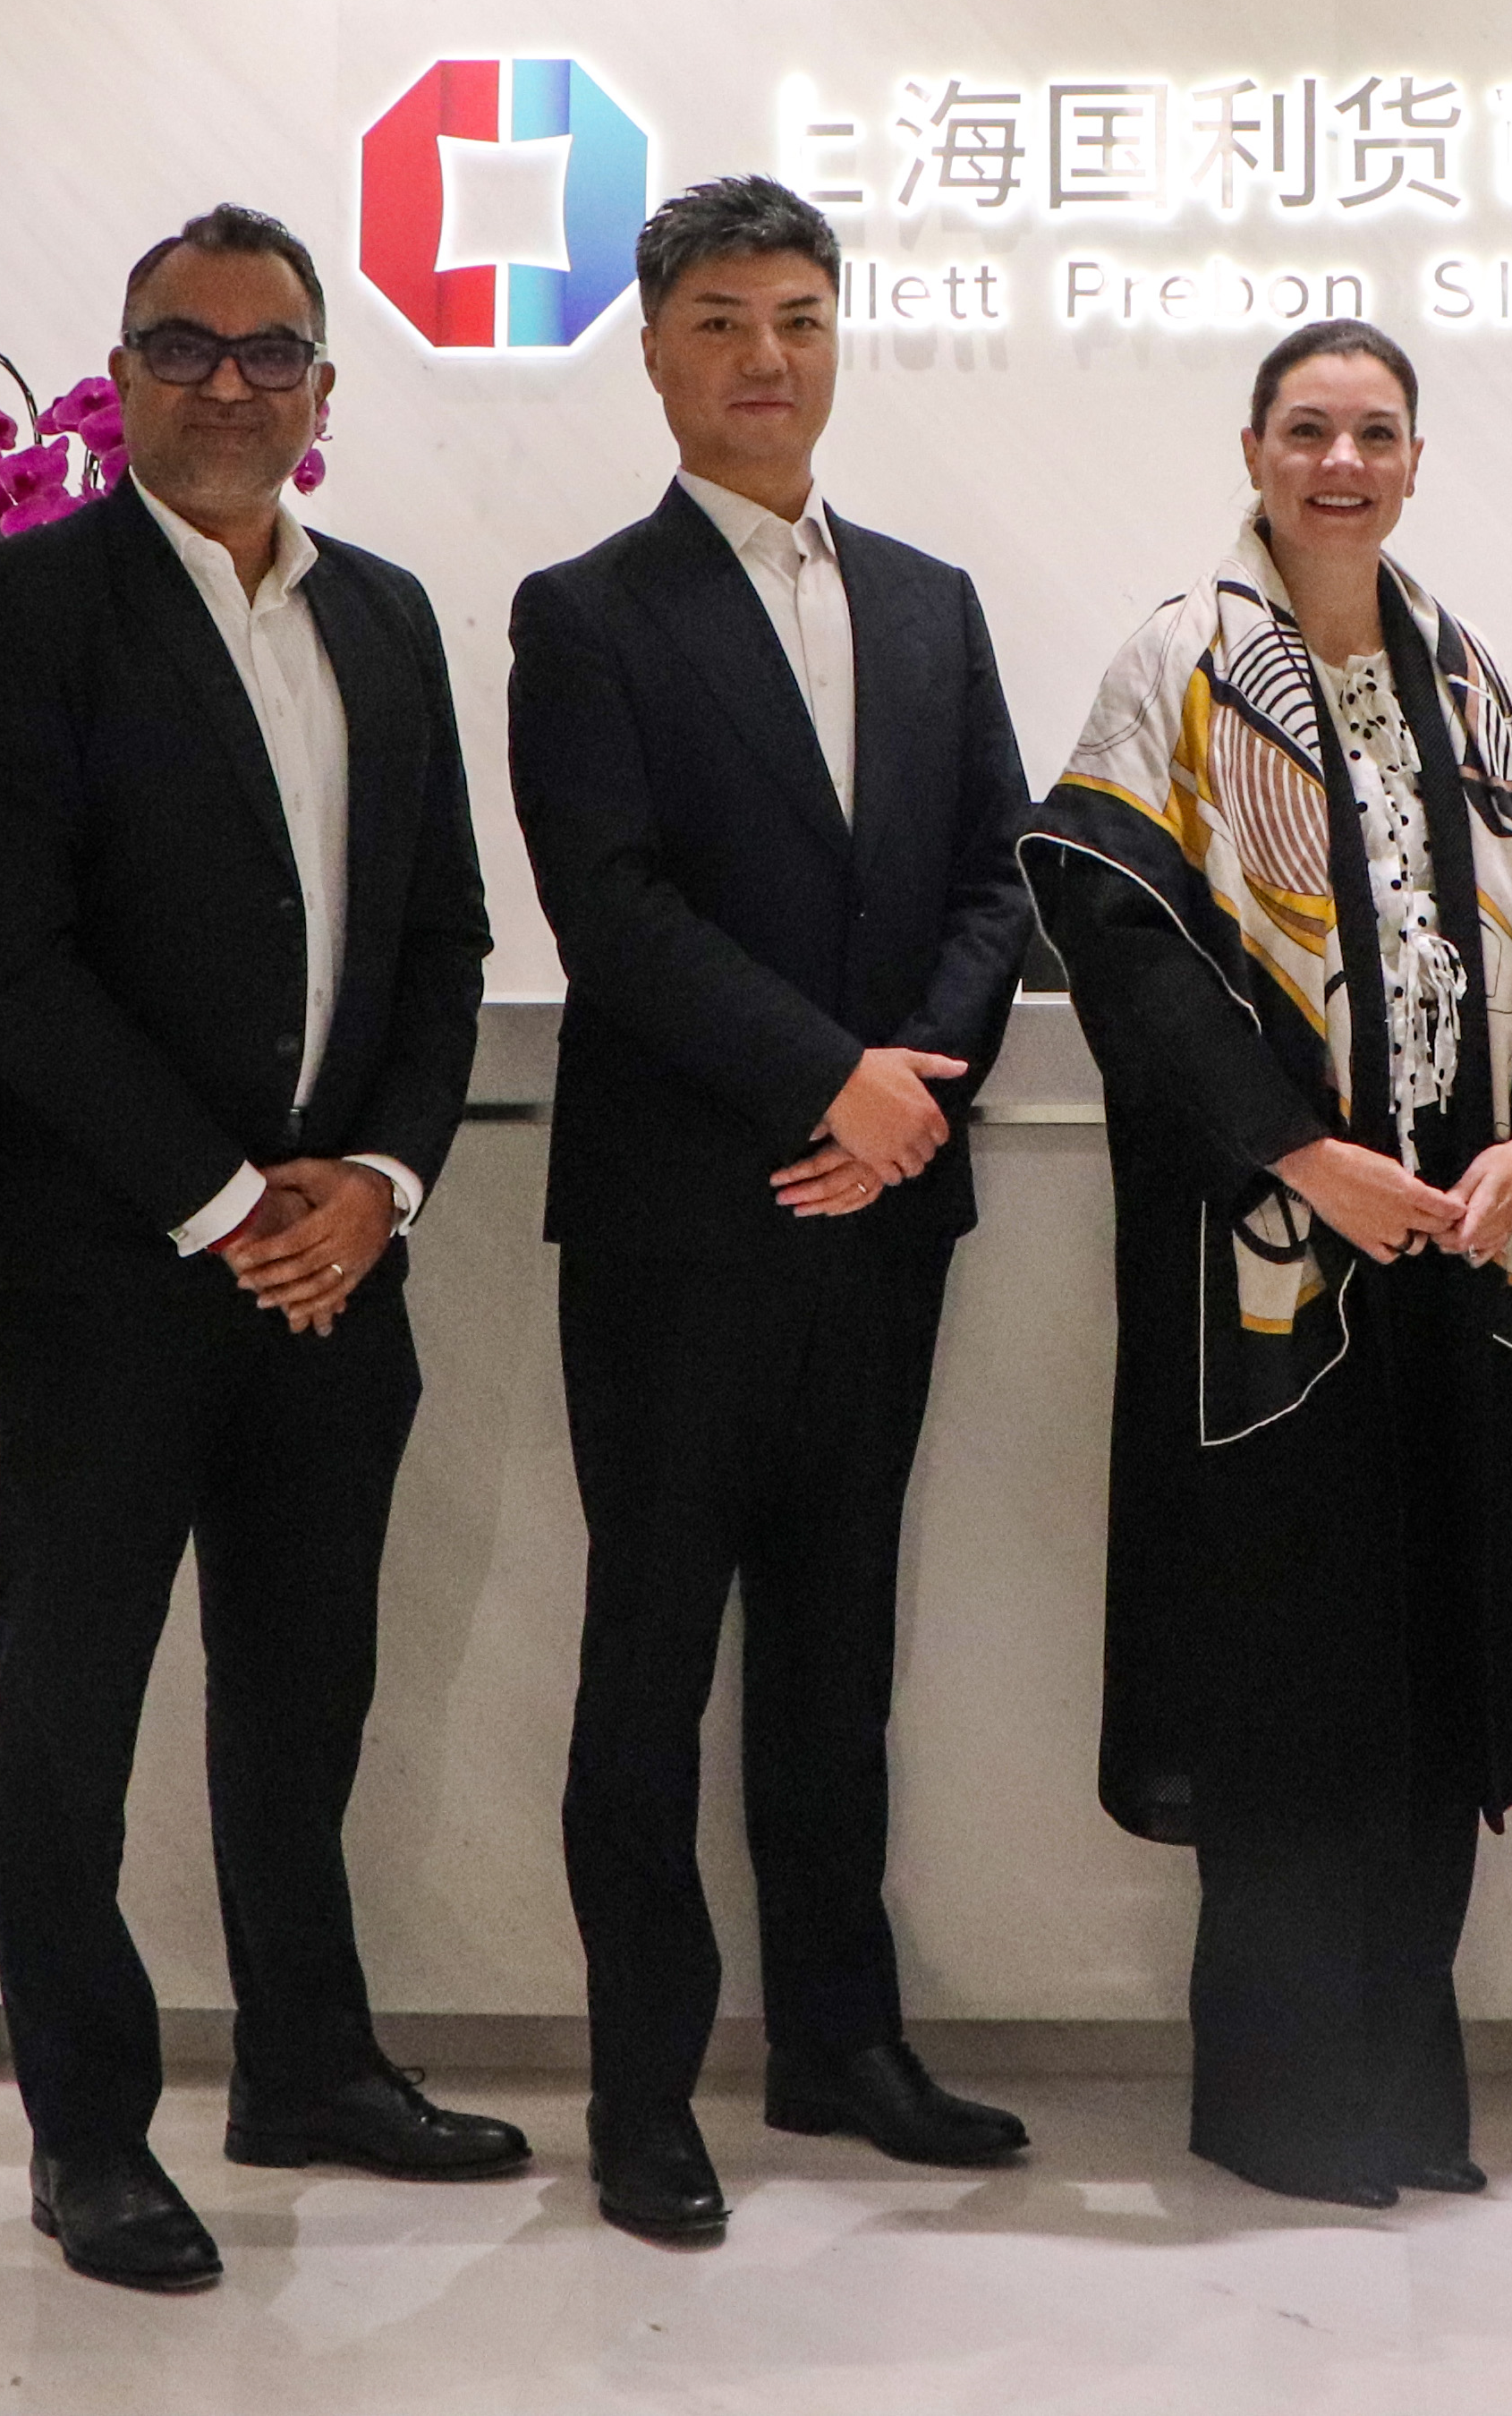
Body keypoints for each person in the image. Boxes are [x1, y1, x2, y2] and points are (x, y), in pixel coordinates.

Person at [0, 203, 515, 2295]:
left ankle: (307, 2062)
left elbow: (443, 938)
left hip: (340, 1265)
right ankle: (87, 2132)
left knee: (301, 1685)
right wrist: (226, 1198)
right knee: (67, 1706)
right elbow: (12, 956)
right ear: (122, 377)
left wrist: (381, 1180)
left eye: (269, 352)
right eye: (184, 346)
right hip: (105, 1265)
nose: (228, 383)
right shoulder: (21, 608)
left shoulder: (387, 616)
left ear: (323, 389)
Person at [1024, 319, 1512, 2209]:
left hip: (1448, 1260)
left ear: (1416, 460)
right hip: (1271, 1270)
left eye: (1374, 431)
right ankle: (1288, 2106)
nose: (1341, 462)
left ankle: (1408, 2097)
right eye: (1307, 429)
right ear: (1253, 452)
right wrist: (1296, 1150)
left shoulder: (1470, 683)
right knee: (1289, 1678)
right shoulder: (1180, 664)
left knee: (1431, 1665)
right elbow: (1117, 931)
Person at [507, 176, 1038, 2242]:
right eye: (720, 319)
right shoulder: (585, 611)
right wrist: (832, 1079)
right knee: (646, 1663)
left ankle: (840, 2040)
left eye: (799, 316)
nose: (764, 355)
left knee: (838, 1655)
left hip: (880, 1218)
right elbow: (610, 902)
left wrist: (907, 1089)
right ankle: (644, 2093)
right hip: (679, 1224)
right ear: (652, 349)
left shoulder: (927, 600)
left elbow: (997, 874)